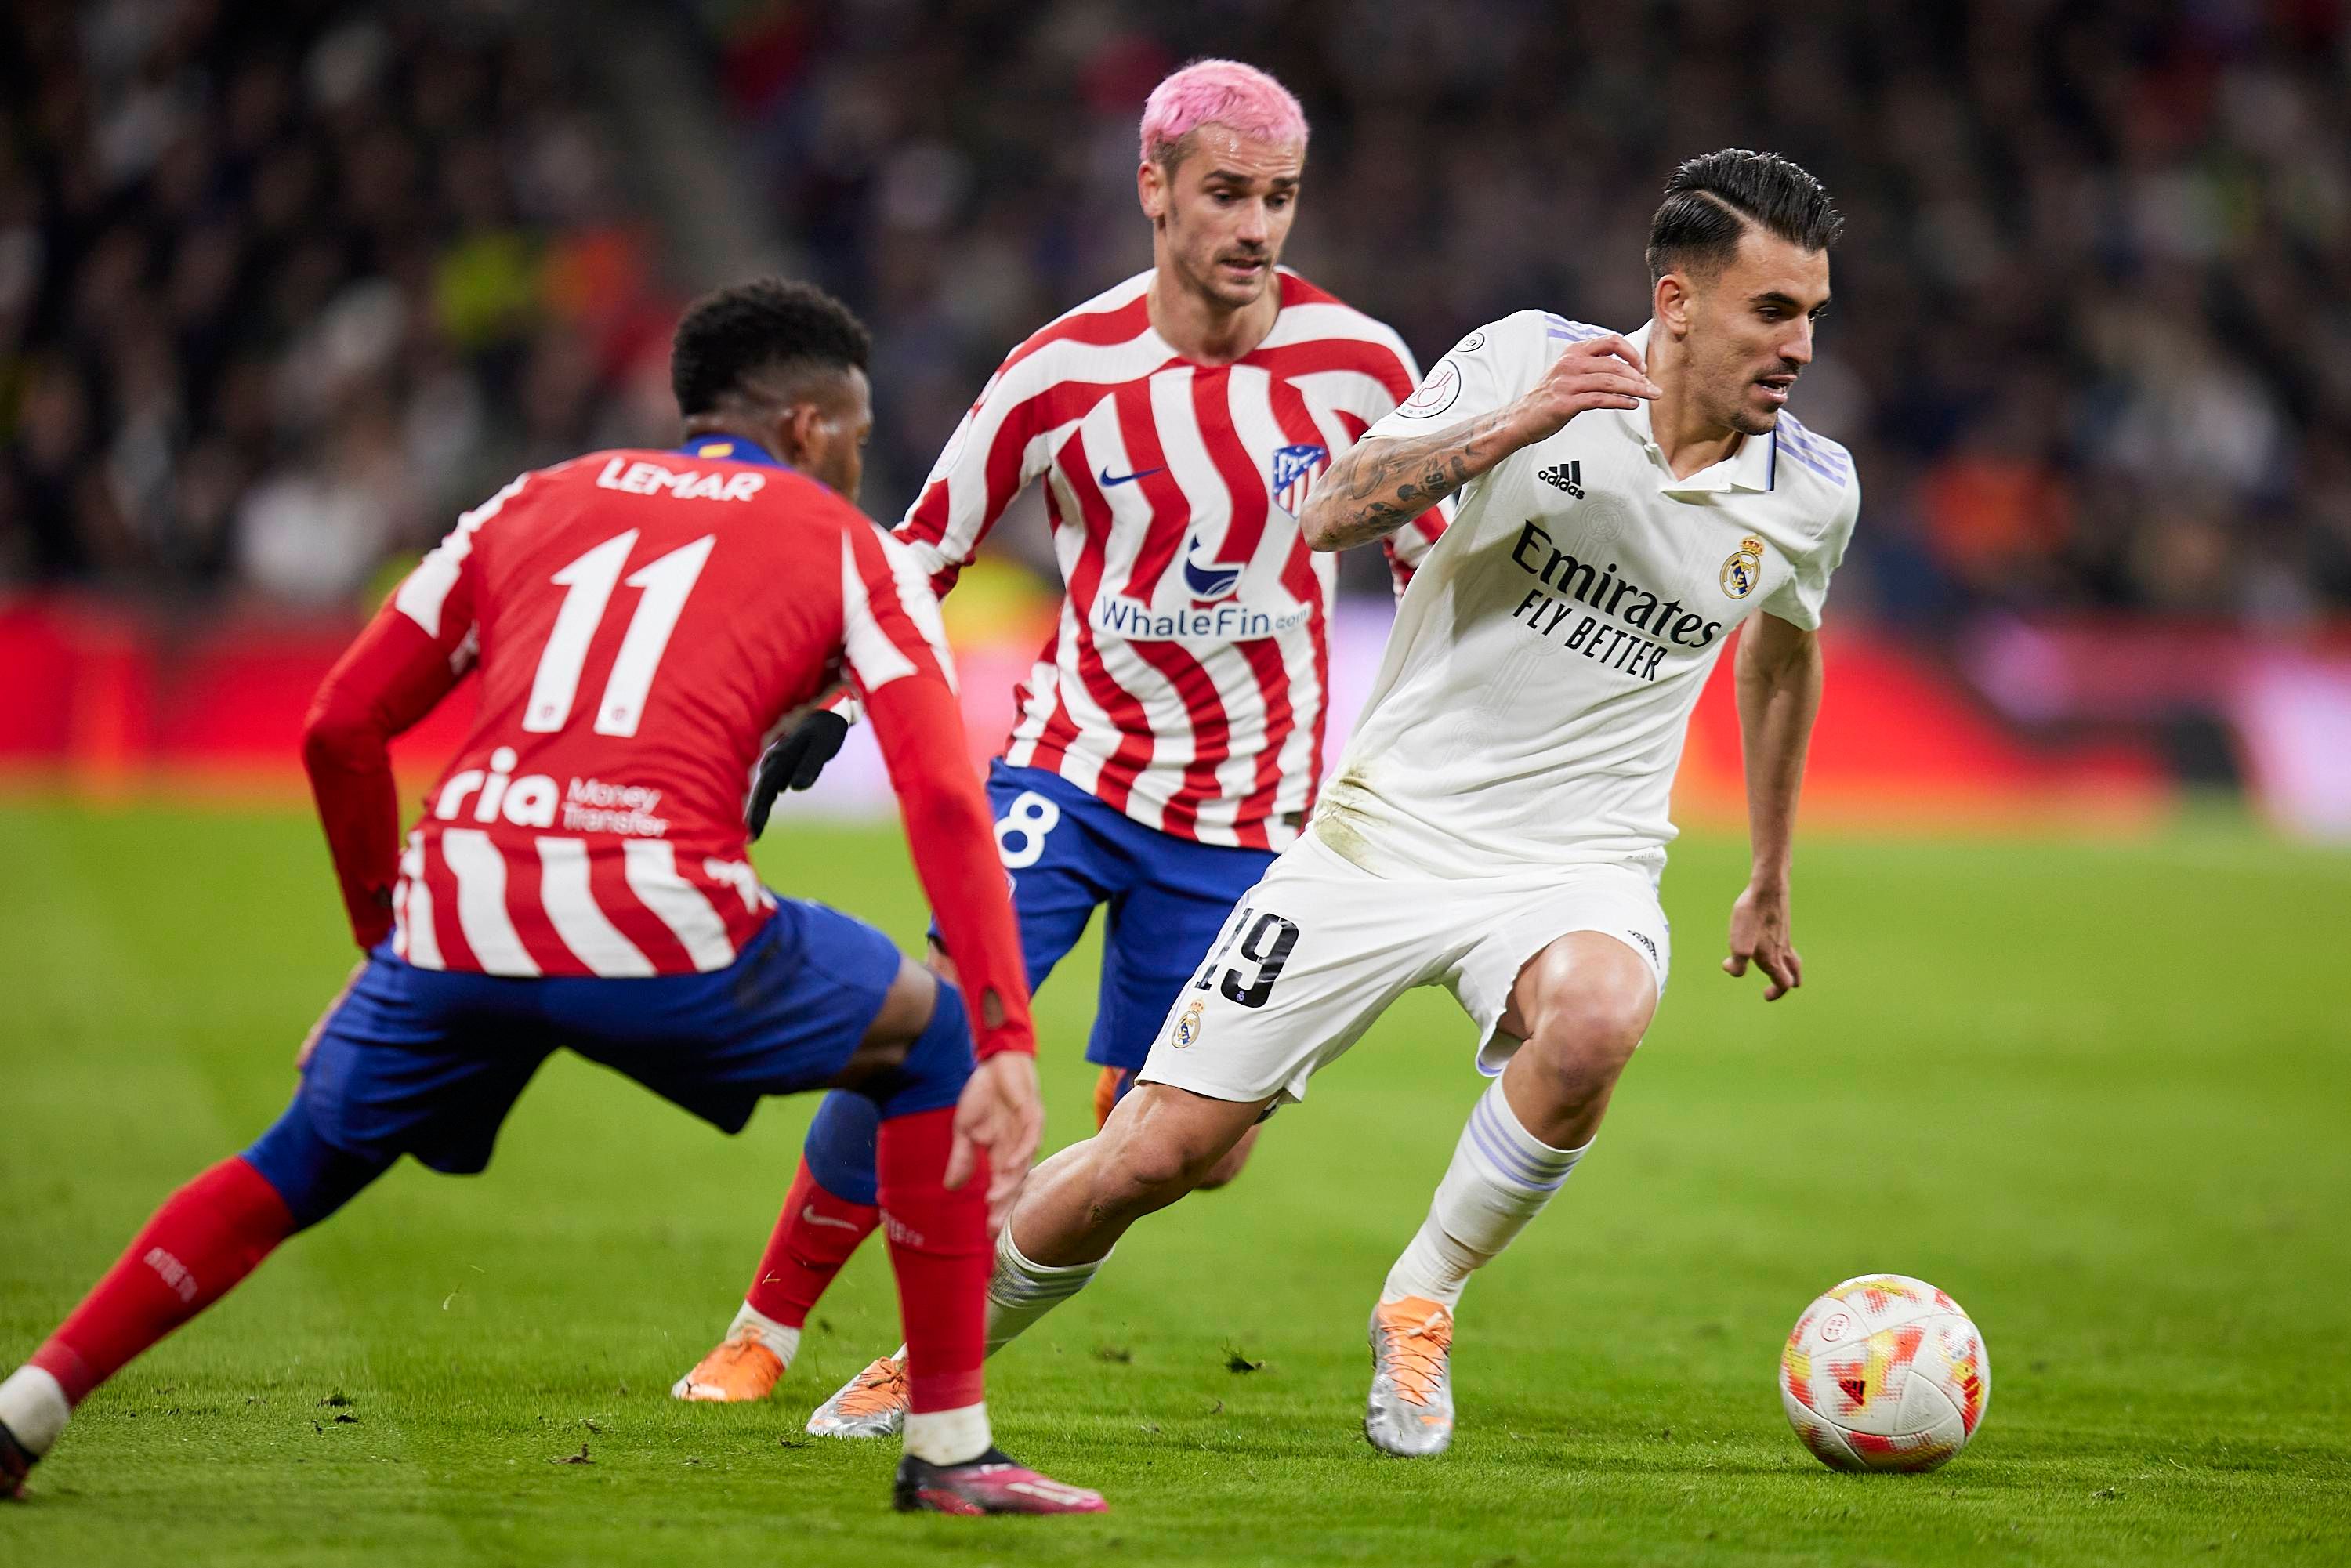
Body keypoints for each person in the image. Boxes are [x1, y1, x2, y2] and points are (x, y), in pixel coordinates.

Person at [0, 280, 1103, 1516]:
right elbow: (947, 799)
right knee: (933, 1033)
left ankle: (27, 1404)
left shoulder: (529, 499)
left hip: (461, 914)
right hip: (660, 910)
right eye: (850, 437)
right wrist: (1007, 1033)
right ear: (804, 426)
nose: (857, 464)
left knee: (296, 1157)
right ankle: (950, 1449)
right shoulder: (848, 546)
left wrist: (387, 946)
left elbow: (341, 727)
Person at [904, 148, 1858, 1458]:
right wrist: (1510, 429)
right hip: (1382, 834)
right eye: (1774, 311)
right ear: (1679, 302)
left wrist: (1770, 866)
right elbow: (1330, 513)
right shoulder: (1533, 355)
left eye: (1813, 312)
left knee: (1597, 1017)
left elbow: (1782, 646)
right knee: (1157, 1153)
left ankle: (1423, 1294)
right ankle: (932, 1363)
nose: (1801, 344)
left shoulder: (1811, 489)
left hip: (1578, 856)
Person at [671, 59, 1447, 1432]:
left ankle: (1096, 1122)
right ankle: (766, 1324)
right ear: (1152, 188)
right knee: (933, 1032)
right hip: (1070, 772)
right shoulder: (1060, 367)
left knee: (1197, 1154)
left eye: (1279, 197)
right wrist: (824, 704)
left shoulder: (1365, 366)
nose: (1257, 226)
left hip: (1249, 818)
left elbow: (1441, 570)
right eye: (1227, 193)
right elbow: (924, 549)